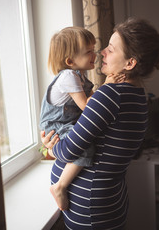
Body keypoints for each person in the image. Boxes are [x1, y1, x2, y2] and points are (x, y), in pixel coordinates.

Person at [41, 17, 159, 229]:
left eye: (111, 49)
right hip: (108, 203)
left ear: (130, 63)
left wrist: (51, 145)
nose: (102, 53)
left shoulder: (109, 96)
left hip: (90, 207)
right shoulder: (139, 96)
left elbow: (68, 152)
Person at [39, 26, 125, 211]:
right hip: (57, 123)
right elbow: (88, 107)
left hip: (67, 121)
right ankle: (60, 186)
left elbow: (94, 100)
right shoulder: (68, 76)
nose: (95, 55)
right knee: (85, 150)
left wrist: (105, 88)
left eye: (93, 50)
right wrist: (107, 85)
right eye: (89, 52)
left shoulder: (79, 75)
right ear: (70, 60)